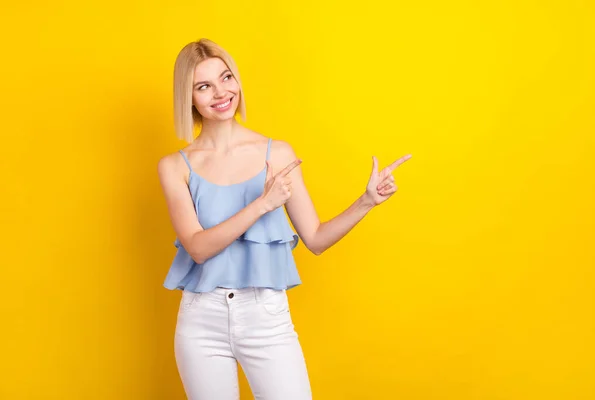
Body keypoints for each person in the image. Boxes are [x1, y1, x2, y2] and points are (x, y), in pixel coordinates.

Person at [157, 38, 412, 400]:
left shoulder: (277, 154)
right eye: (204, 86)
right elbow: (198, 249)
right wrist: (262, 205)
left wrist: (366, 201)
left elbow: (316, 239)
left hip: (266, 315)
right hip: (202, 319)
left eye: (226, 77)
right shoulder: (174, 167)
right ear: (189, 97)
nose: (221, 92)